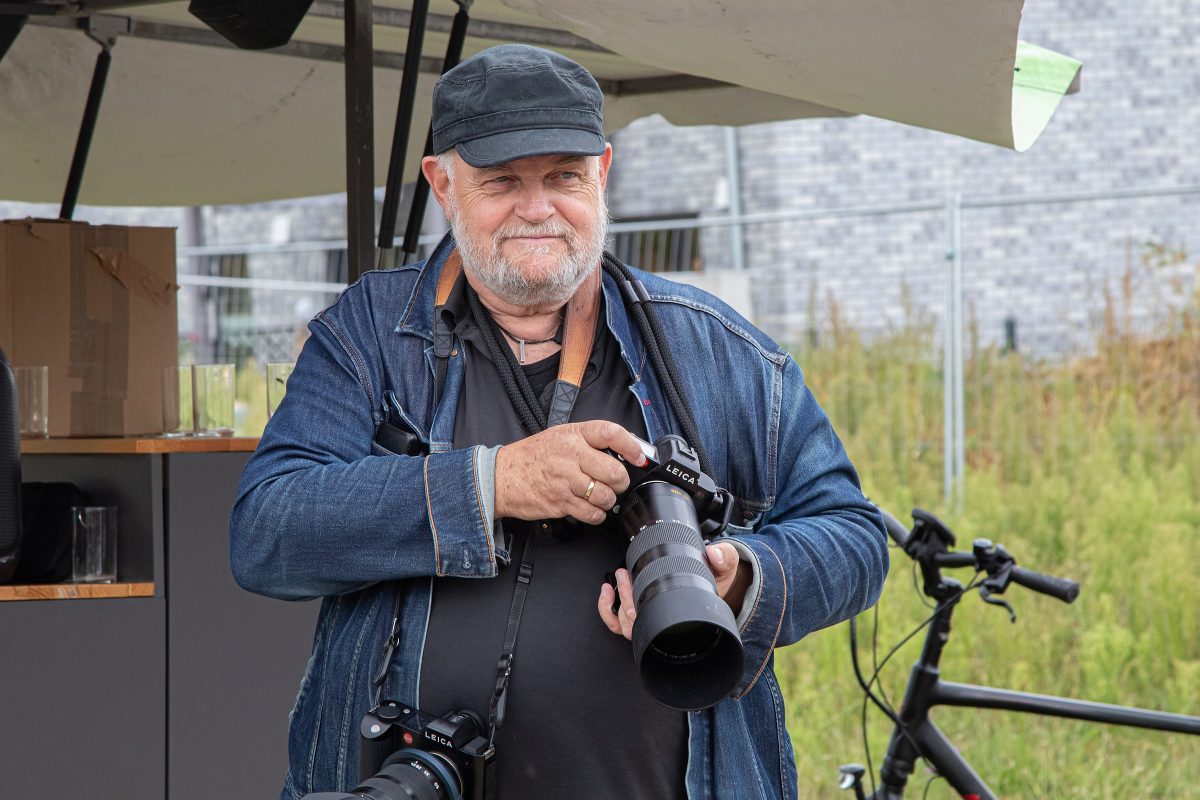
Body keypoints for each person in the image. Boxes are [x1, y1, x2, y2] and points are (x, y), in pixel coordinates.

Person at [230, 44, 888, 800]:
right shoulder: (369, 335)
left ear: (602, 173)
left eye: (564, 177)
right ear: (442, 184)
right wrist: (490, 484)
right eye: (502, 180)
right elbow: (266, 532)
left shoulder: (715, 348)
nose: (537, 207)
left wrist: (739, 576)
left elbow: (854, 535)